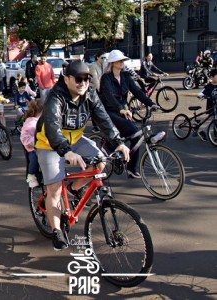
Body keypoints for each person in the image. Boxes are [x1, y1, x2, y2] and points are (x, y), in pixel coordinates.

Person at [35, 60, 130, 251]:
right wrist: (66, 151)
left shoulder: (89, 94)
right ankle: (56, 231)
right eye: (78, 79)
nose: (83, 83)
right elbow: (52, 127)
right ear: (67, 79)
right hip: (50, 144)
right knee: (54, 189)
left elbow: (103, 118)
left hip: (76, 140)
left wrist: (118, 142)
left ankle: (73, 189)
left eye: (87, 79)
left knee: (101, 162)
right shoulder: (56, 97)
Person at [99, 50, 157, 179]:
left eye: (123, 60)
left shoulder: (125, 76)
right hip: (107, 111)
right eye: (120, 61)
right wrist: (121, 109)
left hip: (121, 110)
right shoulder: (106, 78)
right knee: (131, 130)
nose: (122, 63)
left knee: (136, 136)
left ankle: (131, 168)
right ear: (113, 63)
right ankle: (108, 145)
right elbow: (109, 97)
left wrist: (151, 103)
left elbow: (137, 91)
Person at [20, 99, 44, 188]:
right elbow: (24, 137)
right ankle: (31, 175)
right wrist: (35, 142)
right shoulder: (31, 123)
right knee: (34, 157)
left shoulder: (43, 120)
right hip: (33, 148)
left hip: (45, 146)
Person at [197, 68, 217, 141]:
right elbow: (201, 93)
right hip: (211, 107)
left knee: (214, 121)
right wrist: (201, 96)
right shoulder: (208, 87)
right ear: (213, 77)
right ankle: (215, 137)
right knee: (215, 121)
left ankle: (203, 132)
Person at [89, 51, 106, 133]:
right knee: (95, 108)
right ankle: (95, 126)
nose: (103, 59)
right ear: (97, 58)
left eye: (104, 58)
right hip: (95, 89)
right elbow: (95, 80)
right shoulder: (93, 66)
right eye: (102, 58)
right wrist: (100, 90)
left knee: (103, 108)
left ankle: (102, 124)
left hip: (103, 89)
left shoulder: (104, 65)